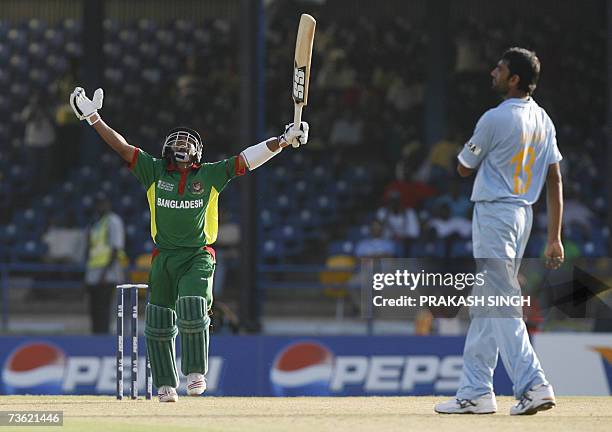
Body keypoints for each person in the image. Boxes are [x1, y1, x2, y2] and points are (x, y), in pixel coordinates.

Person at [69, 86, 309, 402]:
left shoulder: (210, 175)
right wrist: (93, 118)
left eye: (187, 141)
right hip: (164, 256)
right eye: (176, 140)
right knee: (157, 321)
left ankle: (195, 372)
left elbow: (246, 159)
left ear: (197, 152)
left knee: (193, 307)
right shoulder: (153, 170)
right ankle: (166, 384)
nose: (180, 144)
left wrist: (282, 140)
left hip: (198, 255)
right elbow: (123, 147)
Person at [434, 48, 564, 415]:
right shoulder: (544, 119)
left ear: (514, 80)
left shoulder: (494, 118)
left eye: (500, 69)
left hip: (495, 215)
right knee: (486, 305)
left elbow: (462, 167)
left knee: (500, 304)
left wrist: (463, 153)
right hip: (523, 215)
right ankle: (476, 391)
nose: (493, 72)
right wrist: (554, 236)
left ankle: (533, 384)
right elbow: (554, 178)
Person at [84, 193, 127, 334]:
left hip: (107, 274)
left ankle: (104, 339)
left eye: (102, 203)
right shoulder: (97, 223)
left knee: (105, 310)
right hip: (94, 273)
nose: (99, 206)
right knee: (95, 310)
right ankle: (96, 338)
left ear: (108, 204)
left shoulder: (113, 221)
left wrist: (105, 274)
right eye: (97, 203)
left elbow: (116, 248)